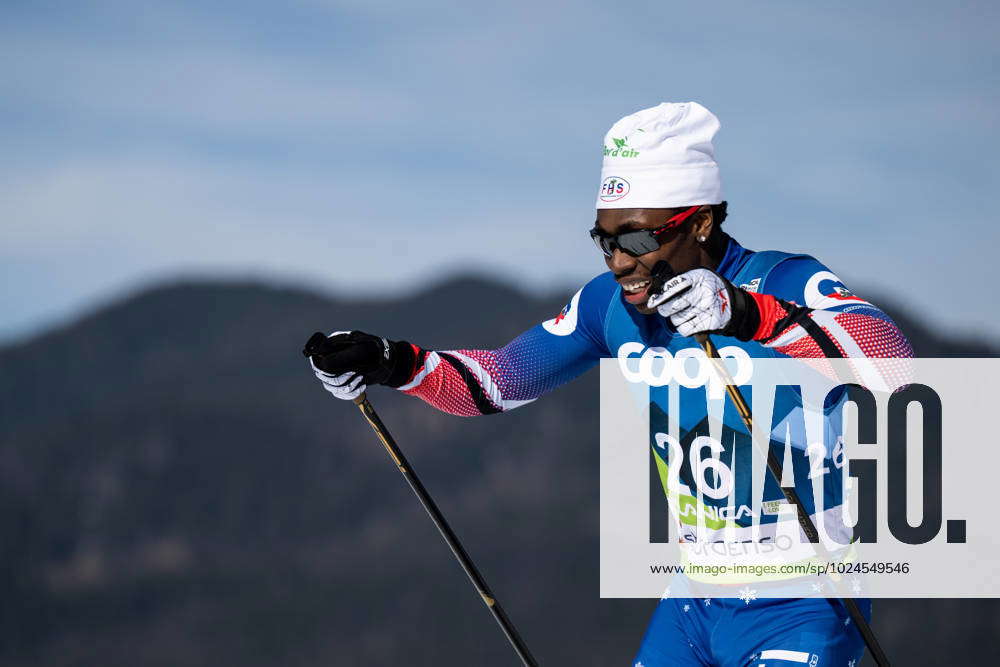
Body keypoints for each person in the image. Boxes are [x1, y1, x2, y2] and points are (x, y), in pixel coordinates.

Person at [305, 102, 912, 666]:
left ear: (699, 222)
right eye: (605, 239)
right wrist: (394, 363)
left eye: (638, 239)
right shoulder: (610, 305)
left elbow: (894, 367)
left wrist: (748, 315)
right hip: (694, 602)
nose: (619, 261)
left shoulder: (784, 279)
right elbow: (498, 381)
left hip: (805, 603)